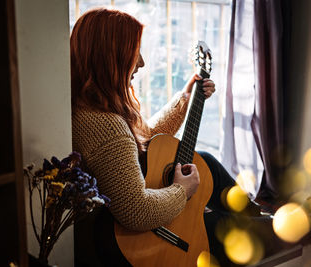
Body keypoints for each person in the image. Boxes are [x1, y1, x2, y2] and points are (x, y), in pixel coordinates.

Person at [71, 7, 263, 266]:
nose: (141, 63)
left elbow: (140, 141)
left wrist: (185, 100)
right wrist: (182, 191)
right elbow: (136, 211)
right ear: (110, 57)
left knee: (205, 160)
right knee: (232, 227)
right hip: (139, 235)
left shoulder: (88, 106)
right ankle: (279, 226)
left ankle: (261, 217)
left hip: (122, 222)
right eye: (134, 52)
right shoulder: (105, 125)